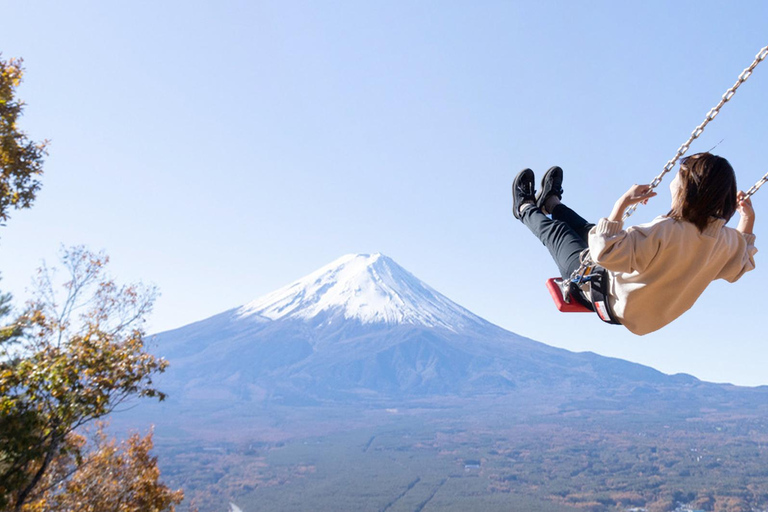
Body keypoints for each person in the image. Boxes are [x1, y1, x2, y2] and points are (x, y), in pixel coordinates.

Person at [512, 153, 757, 335]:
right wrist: (747, 218)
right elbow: (740, 262)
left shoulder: (667, 231)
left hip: (600, 292)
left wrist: (621, 204)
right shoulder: (724, 241)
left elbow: (604, 254)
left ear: (686, 188)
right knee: (589, 230)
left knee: (560, 232)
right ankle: (552, 203)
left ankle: (524, 207)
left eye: (677, 177)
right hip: (635, 310)